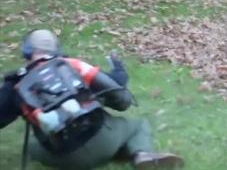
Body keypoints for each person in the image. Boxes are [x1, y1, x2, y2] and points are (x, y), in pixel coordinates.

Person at [0, 29, 184, 169]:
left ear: (27, 51)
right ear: (57, 49)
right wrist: (119, 70)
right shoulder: (73, 66)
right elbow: (121, 99)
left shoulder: (16, 84)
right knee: (138, 125)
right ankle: (140, 153)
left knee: (32, 146)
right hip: (102, 142)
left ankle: (115, 152)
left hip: (62, 158)